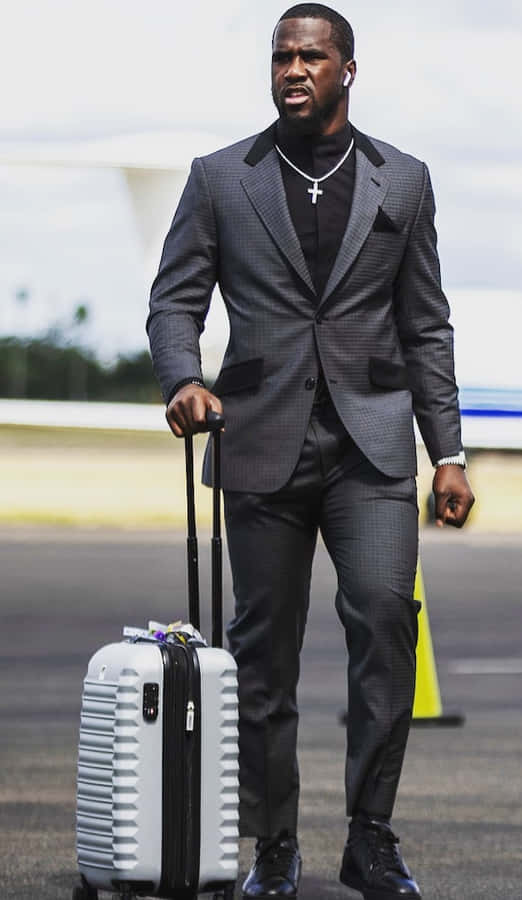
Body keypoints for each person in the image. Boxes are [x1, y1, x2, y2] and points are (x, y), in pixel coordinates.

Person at [147, 4, 474, 897]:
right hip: (258, 442)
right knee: (262, 653)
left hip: (371, 450)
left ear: (347, 69)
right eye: (281, 57)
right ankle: (273, 845)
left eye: (311, 57)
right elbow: (174, 301)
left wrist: (447, 453)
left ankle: (370, 836)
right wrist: (183, 378)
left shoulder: (401, 180)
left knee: (383, 627)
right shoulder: (221, 177)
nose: (293, 70)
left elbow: (426, 326)